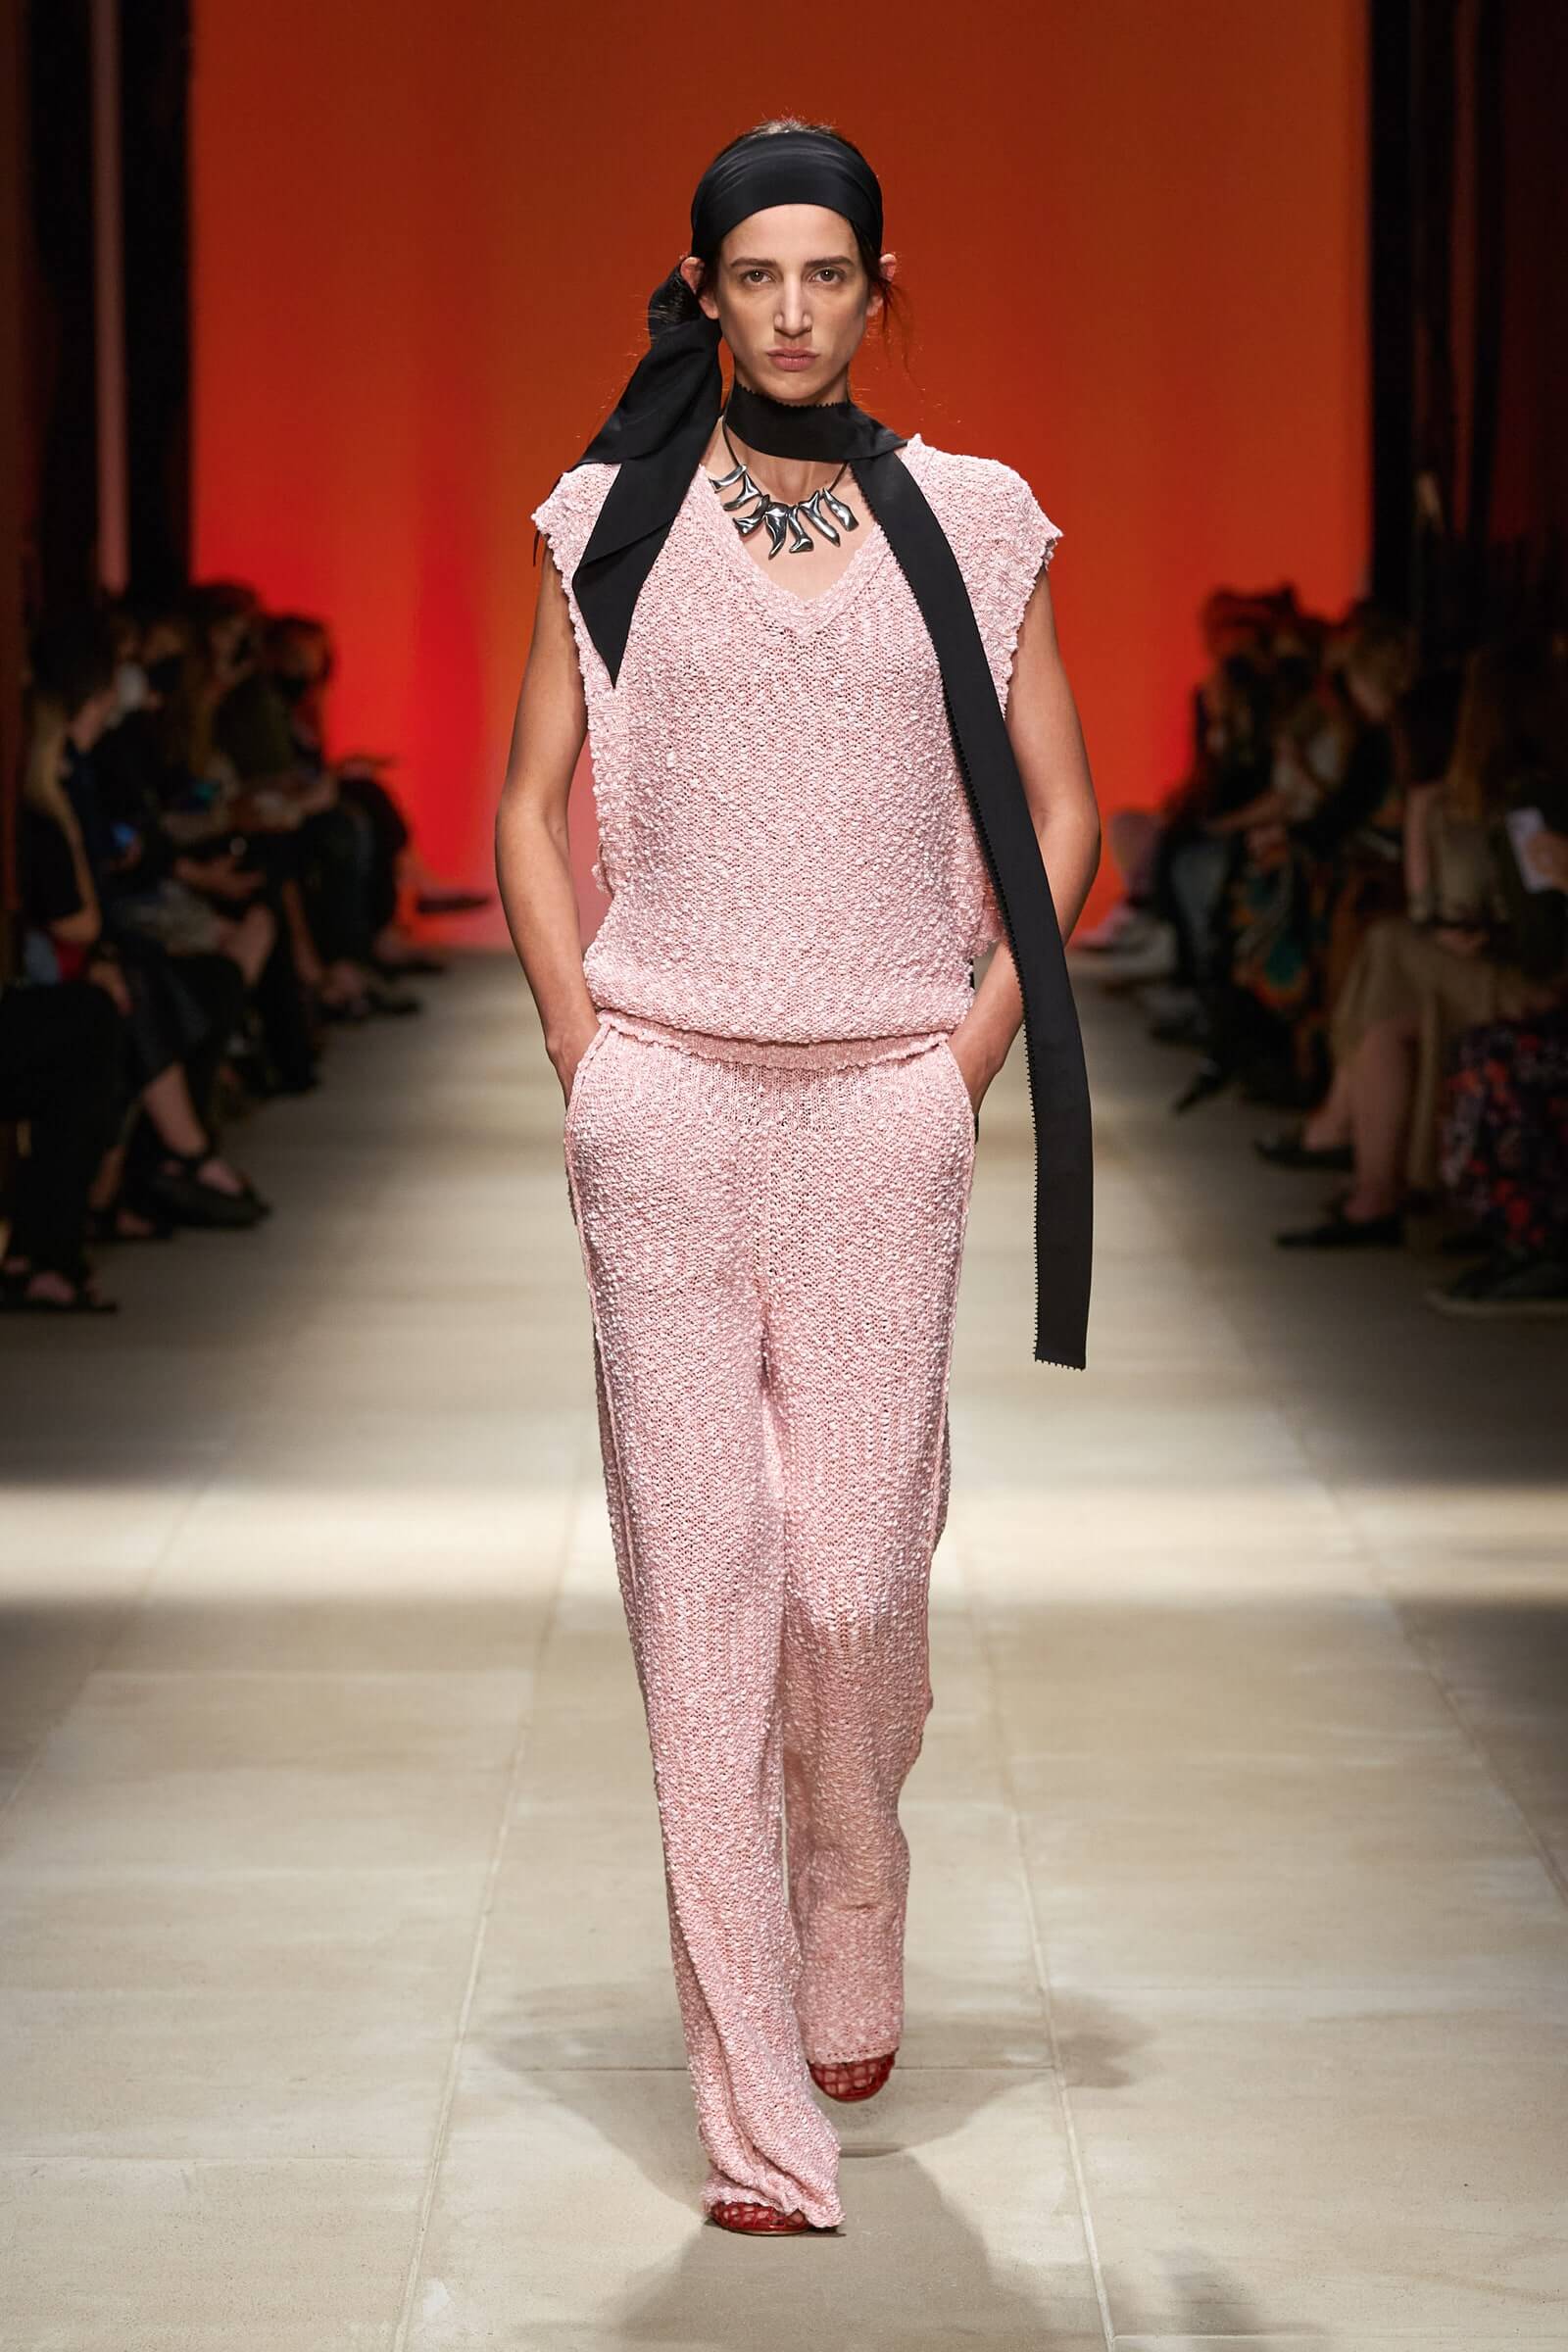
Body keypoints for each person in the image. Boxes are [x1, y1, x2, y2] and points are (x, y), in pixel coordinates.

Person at [495, 117, 1100, 2237]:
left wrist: (963, 1060)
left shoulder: (976, 518)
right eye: (753, 276)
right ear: (705, 293)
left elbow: (1064, 812)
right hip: (664, 1101)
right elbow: (527, 806)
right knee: (702, 1608)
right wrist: (582, 1052)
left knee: (853, 1584)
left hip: (879, 1112)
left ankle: (852, 1872)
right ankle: (755, 2109)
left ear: (874, 284)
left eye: (824, 273)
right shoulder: (606, 521)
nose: (789, 310)